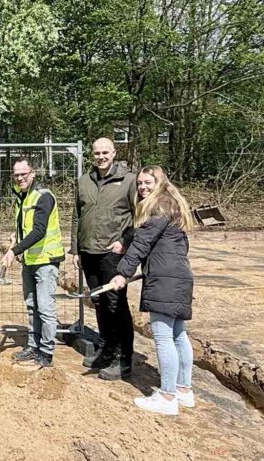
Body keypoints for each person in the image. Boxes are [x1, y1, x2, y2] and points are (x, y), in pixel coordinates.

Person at [111, 166, 195, 415]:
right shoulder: (174, 206)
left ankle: (167, 396)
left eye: (148, 182)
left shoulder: (158, 208)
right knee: (178, 334)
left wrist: (122, 273)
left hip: (164, 280)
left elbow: (142, 242)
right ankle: (183, 390)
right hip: (180, 276)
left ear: (160, 182)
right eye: (140, 183)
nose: (142, 187)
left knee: (162, 336)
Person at [70, 137, 138, 380]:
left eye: (105, 152)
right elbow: (77, 216)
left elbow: (138, 217)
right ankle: (107, 349)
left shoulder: (129, 180)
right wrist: (75, 249)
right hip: (88, 253)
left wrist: (125, 242)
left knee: (116, 305)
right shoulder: (84, 181)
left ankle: (124, 358)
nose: (101, 157)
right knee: (99, 303)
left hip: (113, 254)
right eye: (96, 153)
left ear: (114, 153)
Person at [3, 159, 64, 367]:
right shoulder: (23, 196)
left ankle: (46, 353)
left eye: (24, 174)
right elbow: (27, 227)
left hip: (46, 261)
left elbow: (39, 230)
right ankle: (33, 345)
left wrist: (14, 250)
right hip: (30, 260)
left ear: (33, 173)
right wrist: (16, 237)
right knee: (32, 306)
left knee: (45, 308)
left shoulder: (43, 197)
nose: (20, 178)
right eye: (17, 175)